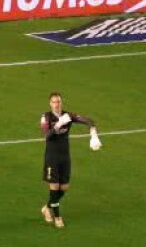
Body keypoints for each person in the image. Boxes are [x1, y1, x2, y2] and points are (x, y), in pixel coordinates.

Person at [39, 92, 101, 229]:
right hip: (52, 157)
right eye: (54, 102)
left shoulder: (68, 116)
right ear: (50, 104)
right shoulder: (46, 117)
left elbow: (88, 121)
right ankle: (57, 217)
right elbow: (47, 135)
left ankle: (46, 207)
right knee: (54, 187)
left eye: (59, 102)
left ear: (62, 103)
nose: (57, 104)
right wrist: (58, 125)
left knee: (64, 188)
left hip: (65, 156)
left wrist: (93, 133)